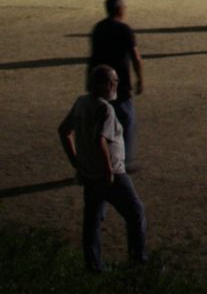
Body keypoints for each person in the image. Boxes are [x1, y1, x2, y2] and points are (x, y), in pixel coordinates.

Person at [57, 65, 147, 273]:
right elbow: (101, 140)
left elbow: (64, 131)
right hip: (111, 173)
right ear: (107, 84)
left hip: (89, 173)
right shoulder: (105, 109)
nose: (115, 85)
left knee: (92, 219)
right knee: (135, 213)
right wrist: (108, 170)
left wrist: (76, 162)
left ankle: (93, 264)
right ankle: (138, 262)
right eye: (113, 82)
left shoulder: (81, 102)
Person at [88, 0, 144, 171]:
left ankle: (96, 160)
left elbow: (93, 56)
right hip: (119, 84)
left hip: (99, 82)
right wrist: (140, 78)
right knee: (126, 122)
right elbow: (135, 57)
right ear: (120, 9)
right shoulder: (124, 30)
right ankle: (123, 161)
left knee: (100, 124)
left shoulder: (98, 28)